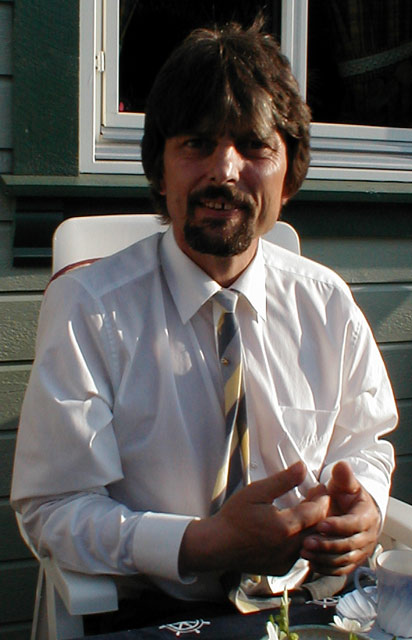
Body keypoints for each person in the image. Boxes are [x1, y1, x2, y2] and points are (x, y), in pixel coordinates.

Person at [11, 17, 397, 628]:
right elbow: (54, 509)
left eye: (254, 146)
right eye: (196, 143)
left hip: (308, 606)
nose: (224, 170)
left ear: (289, 174)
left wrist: (366, 506)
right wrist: (202, 543)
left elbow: (366, 442)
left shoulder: (327, 305)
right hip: (156, 610)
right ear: (160, 169)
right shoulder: (90, 308)